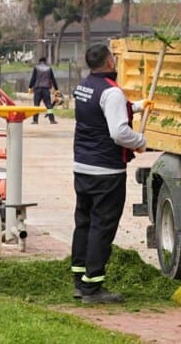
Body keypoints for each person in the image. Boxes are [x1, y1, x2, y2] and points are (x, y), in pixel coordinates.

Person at [70, 43, 152, 304]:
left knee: (83, 223)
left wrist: (138, 106)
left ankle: (79, 279)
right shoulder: (112, 92)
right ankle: (93, 287)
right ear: (109, 63)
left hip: (82, 167)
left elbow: (102, 110)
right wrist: (139, 140)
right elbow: (118, 132)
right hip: (105, 171)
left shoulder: (84, 86)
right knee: (102, 227)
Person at [28, 56, 59, 124]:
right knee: (49, 105)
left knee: (36, 105)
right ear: (45, 61)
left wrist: (30, 87)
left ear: (39, 61)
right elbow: (53, 79)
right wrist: (56, 89)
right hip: (46, 89)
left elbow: (33, 78)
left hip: (37, 89)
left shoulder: (36, 68)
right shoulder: (49, 68)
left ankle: (35, 120)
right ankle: (52, 120)